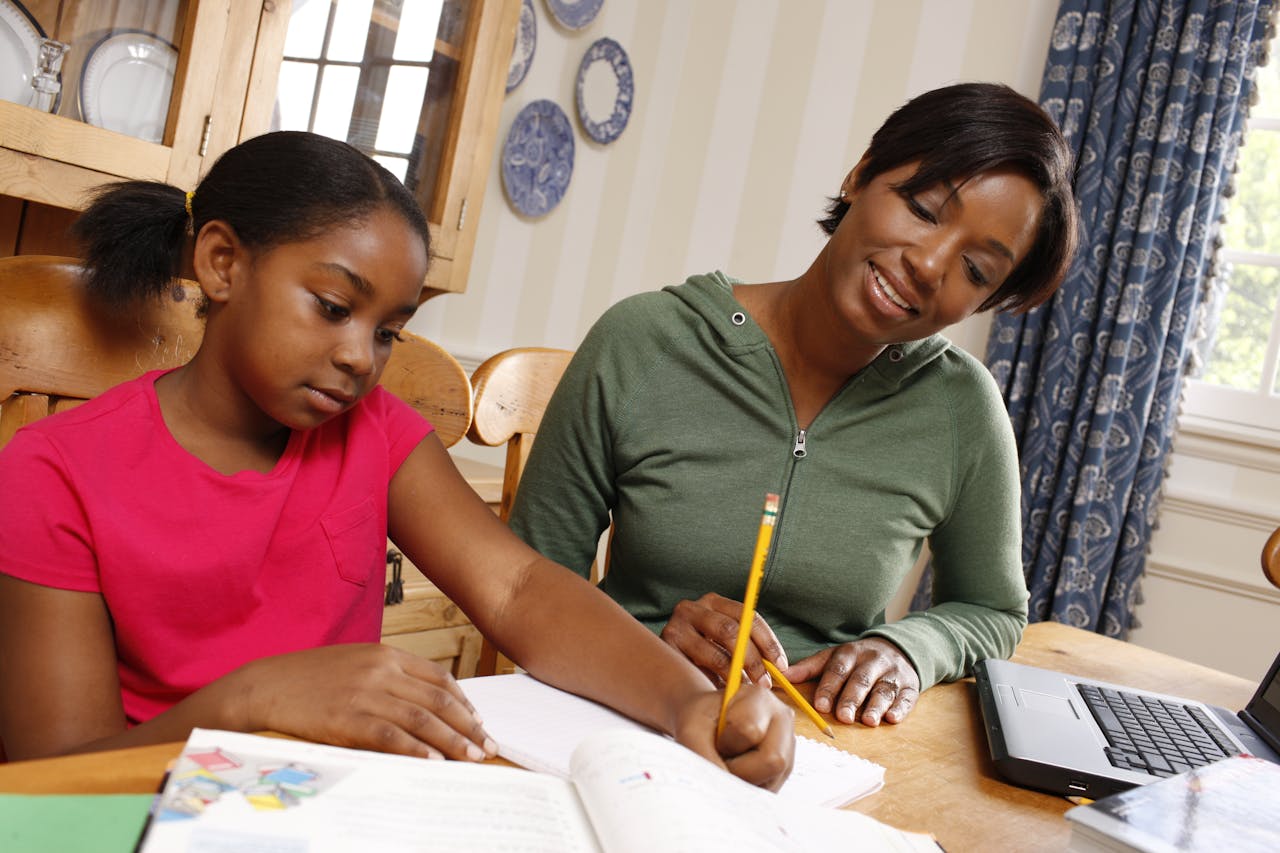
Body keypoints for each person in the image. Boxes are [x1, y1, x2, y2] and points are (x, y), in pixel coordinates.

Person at [0, 131, 795, 788]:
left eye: (386, 330)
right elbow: (52, 783)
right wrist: (251, 700)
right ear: (222, 263)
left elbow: (517, 587)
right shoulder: (55, 470)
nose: (358, 357)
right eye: (335, 308)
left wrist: (687, 699)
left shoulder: (372, 430)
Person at [509, 82, 1079, 729]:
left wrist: (909, 650)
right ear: (860, 175)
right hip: (626, 721)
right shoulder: (643, 341)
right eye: (923, 208)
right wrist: (648, 647)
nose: (928, 264)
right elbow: (525, 580)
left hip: (829, 757)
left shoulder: (963, 411)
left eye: (976, 270)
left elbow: (992, 609)